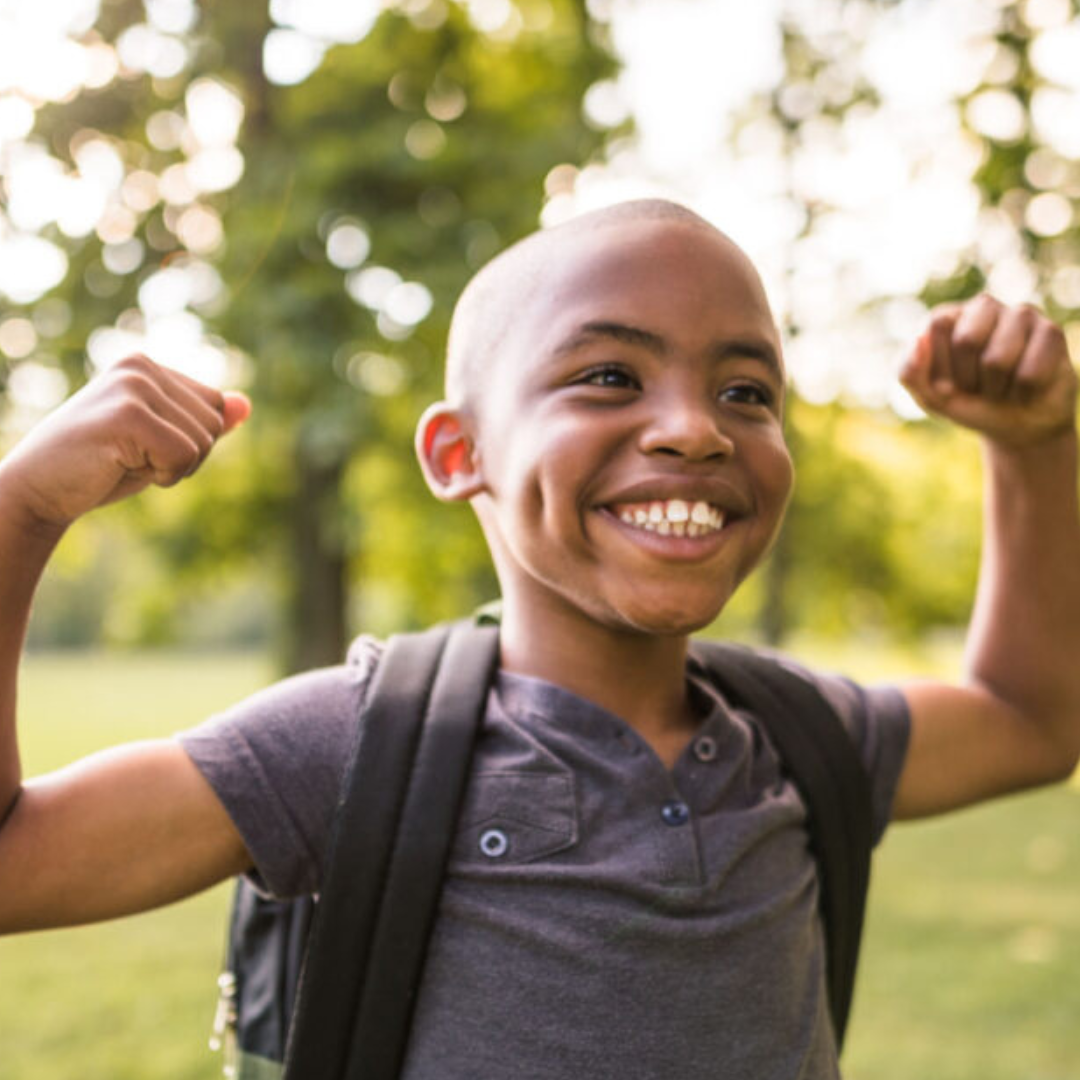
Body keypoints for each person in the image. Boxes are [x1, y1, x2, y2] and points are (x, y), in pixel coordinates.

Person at [0, 199, 1077, 1078]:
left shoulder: (798, 737)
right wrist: (21, 515)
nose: (696, 428)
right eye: (610, 375)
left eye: (746, 392)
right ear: (457, 451)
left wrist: (1035, 447)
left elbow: (1032, 719)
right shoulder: (356, 744)